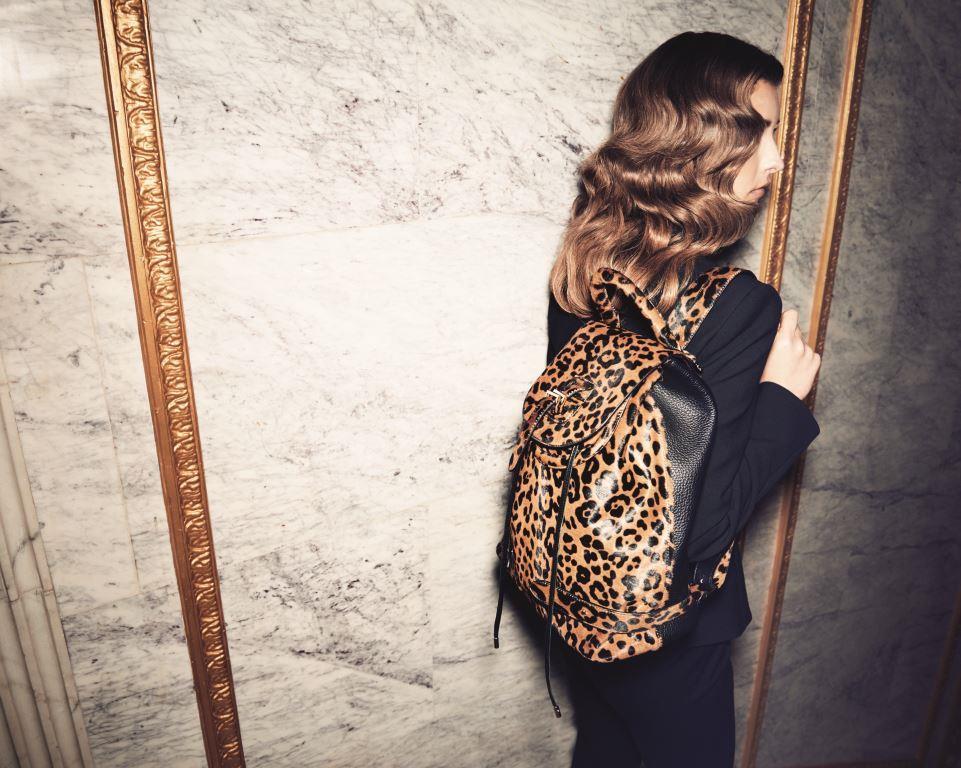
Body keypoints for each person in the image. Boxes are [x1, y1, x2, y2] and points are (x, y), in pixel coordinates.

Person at [543, 31, 823, 767]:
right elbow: (699, 533)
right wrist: (783, 400)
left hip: (576, 600)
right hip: (669, 628)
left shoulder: (586, 263)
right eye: (760, 133)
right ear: (700, 141)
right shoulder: (736, 306)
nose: (776, 160)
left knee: (605, 748)